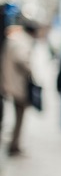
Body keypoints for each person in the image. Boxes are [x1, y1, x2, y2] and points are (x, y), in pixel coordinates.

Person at [2, 18, 38, 156]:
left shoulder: (14, 39)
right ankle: (14, 145)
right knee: (19, 116)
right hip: (18, 84)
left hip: (10, 81)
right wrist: (30, 70)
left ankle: (14, 143)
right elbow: (22, 60)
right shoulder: (22, 42)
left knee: (16, 115)